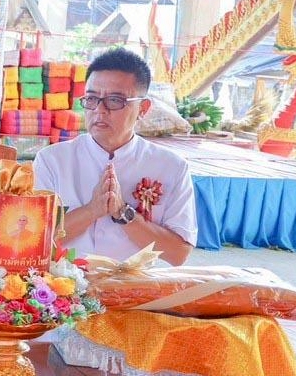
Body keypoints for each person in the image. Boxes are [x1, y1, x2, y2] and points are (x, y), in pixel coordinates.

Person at [34, 47, 196, 265]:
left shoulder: (171, 166)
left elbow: (178, 254)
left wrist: (124, 214)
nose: (100, 110)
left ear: (143, 109)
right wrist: (91, 211)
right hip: (65, 287)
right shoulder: (52, 160)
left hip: (136, 288)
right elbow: (33, 240)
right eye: (91, 99)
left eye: (115, 100)